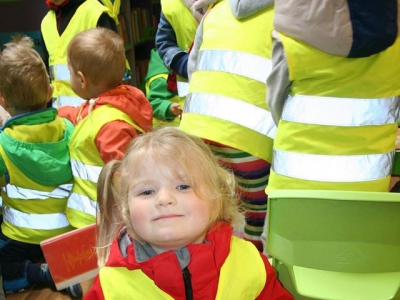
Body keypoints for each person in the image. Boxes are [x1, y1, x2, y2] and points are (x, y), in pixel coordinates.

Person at [84, 127, 293, 300]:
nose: (164, 199)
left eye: (183, 186)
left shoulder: (248, 261)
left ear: (217, 198)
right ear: (126, 211)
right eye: (147, 191)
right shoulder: (111, 287)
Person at [266, 1, 400, 193]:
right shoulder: (395, 40)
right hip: (367, 185)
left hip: (293, 182)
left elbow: (275, 102)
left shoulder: (292, 32)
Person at [179, 0, 276, 251]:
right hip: (250, 136)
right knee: (256, 214)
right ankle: (252, 266)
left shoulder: (215, 10)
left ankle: (204, 264)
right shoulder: (291, 13)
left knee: (203, 206)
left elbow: (193, 66)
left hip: (196, 129)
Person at [0, 35, 81, 297]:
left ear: (3, 100)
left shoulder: (2, 145)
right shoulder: (69, 130)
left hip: (20, 239)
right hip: (65, 236)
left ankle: (33, 274)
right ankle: (62, 273)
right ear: (49, 91)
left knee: (7, 262)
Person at [58, 27, 152, 229]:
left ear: (82, 79)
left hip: (101, 222)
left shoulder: (111, 126)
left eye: (69, 72)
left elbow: (123, 177)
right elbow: (80, 115)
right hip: (94, 219)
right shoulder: (109, 104)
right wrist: (56, 113)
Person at [41, 0, 131, 108]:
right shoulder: (46, 23)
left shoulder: (95, 13)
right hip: (61, 120)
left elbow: (113, 81)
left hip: (94, 117)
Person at [144, 48, 182, 128]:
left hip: (175, 128)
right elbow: (152, 103)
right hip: (166, 130)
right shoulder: (160, 79)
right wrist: (168, 108)